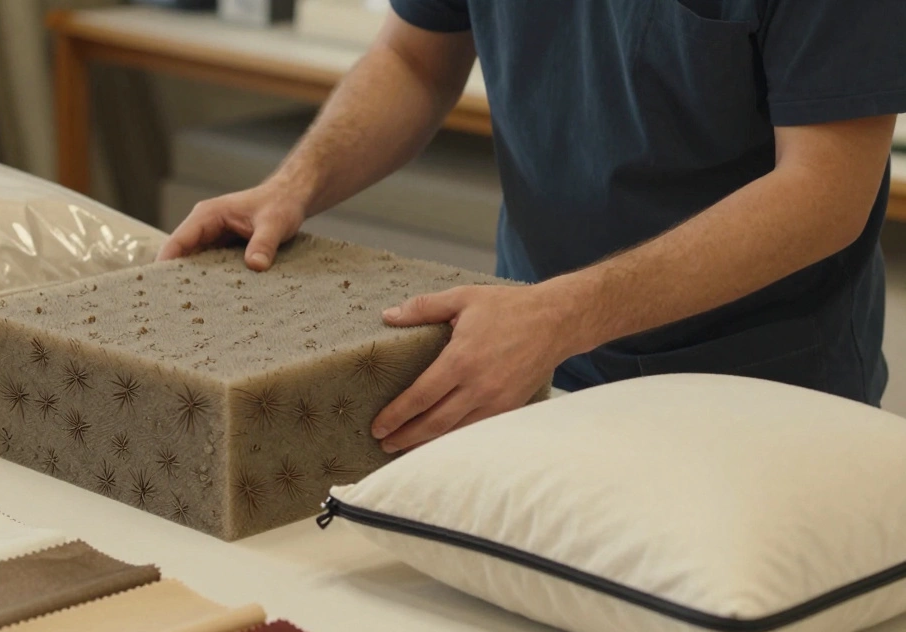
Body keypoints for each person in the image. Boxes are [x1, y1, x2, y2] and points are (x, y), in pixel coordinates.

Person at [157, 0, 905, 455]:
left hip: (765, 398)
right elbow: (414, 59)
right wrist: (292, 187)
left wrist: (565, 314)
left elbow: (823, 191)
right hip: (541, 368)